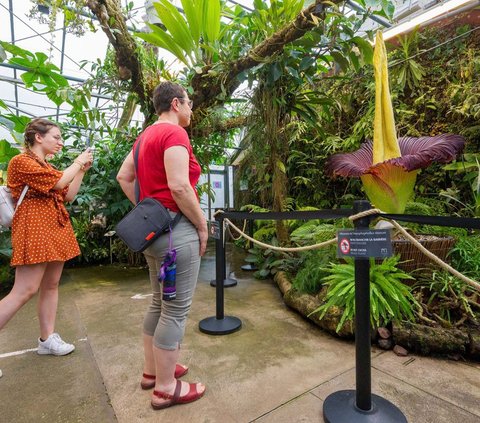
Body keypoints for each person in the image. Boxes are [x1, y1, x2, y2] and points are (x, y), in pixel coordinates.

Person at [117, 81, 207, 410]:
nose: (192, 109)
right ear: (175, 104)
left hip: (156, 238)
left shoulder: (144, 138)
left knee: (159, 302)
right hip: (176, 236)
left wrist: (148, 212)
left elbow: (124, 177)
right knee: (175, 310)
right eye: (189, 103)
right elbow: (180, 187)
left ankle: (152, 372)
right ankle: (167, 389)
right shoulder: (174, 134)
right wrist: (201, 224)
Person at [0, 118, 93, 360]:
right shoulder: (21, 162)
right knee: (24, 290)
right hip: (34, 228)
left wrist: (81, 171)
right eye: (56, 137)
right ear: (38, 137)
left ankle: (47, 339)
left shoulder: (47, 167)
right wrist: (78, 161)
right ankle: (47, 339)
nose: (60, 142)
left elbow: (69, 194)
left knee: (51, 285)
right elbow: (61, 181)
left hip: (53, 227)